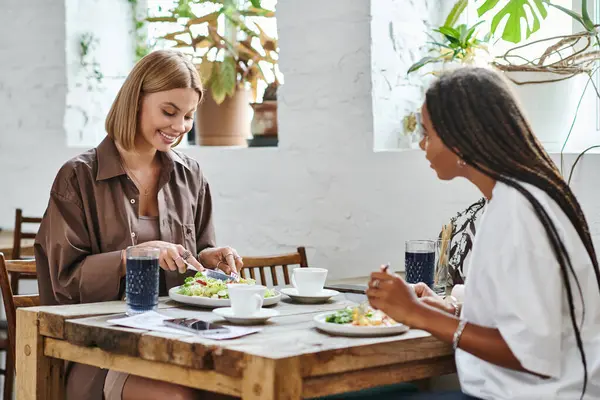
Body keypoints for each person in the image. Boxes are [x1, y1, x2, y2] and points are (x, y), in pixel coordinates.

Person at [366, 67, 600, 399]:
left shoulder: (520, 210)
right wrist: (449, 311)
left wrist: (417, 315)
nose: (421, 144)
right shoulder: (512, 198)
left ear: (460, 141)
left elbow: (530, 354)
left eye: (428, 133)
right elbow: (526, 319)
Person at [35, 50, 241, 400]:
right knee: (176, 397)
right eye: (169, 111)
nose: (179, 127)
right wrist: (131, 256)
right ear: (135, 101)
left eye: (189, 116)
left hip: (182, 341)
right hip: (101, 350)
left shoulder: (190, 175)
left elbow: (200, 259)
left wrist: (210, 258)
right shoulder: (78, 177)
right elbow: (62, 283)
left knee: (244, 387)